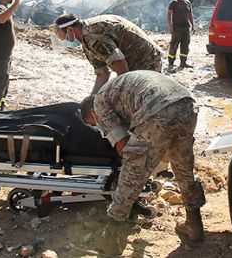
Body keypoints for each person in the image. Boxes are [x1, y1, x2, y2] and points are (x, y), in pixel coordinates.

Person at [80, 71, 205, 242]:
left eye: (94, 124)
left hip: (158, 108)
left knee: (132, 172)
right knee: (183, 167)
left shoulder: (99, 104)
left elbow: (124, 148)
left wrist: (133, 164)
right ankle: (194, 224)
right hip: (186, 104)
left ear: (92, 113)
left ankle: (110, 237)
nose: (98, 127)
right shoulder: (115, 93)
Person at [52, 14, 163, 95]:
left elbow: (121, 66)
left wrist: (120, 92)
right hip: (134, 62)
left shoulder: (94, 37)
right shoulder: (86, 39)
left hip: (147, 60)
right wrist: (92, 99)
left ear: (70, 30)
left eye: (61, 36)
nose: (62, 40)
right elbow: (102, 73)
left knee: (138, 99)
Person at [166, 0, 196, 72]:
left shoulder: (188, 3)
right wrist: (170, 26)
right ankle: (171, 63)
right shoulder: (173, 3)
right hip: (176, 28)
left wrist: (193, 26)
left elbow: (190, 14)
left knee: (185, 46)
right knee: (174, 45)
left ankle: (183, 63)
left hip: (186, 28)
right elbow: (169, 14)